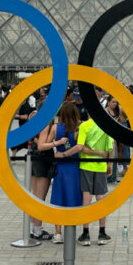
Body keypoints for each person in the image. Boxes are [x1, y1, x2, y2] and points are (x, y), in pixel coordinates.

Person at [76, 109, 114, 246]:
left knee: (86, 198)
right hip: (101, 166)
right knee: (100, 198)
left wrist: (92, 152)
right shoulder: (106, 125)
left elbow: (81, 147)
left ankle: (85, 233)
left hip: (86, 166)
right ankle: (102, 233)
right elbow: (110, 148)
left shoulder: (84, 126)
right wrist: (110, 164)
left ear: (88, 113)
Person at [51, 102, 83, 244]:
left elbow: (44, 143)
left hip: (60, 167)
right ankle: (71, 228)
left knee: (59, 197)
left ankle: (57, 233)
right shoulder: (79, 128)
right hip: (75, 166)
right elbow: (82, 147)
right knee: (73, 197)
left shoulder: (55, 128)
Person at [28, 106, 58, 240]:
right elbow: (42, 144)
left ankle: (31, 227)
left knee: (34, 196)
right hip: (43, 158)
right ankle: (38, 230)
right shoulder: (46, 123)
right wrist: (55, 143)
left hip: (33, 156)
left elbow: (32, 137)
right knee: (40, 197)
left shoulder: (34, 118)